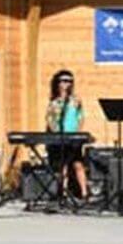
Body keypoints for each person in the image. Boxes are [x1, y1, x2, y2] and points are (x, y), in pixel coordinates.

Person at [45, 69, 89, 200]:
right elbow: (49, 119)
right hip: (60, 137)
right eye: (64, 81)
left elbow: (80, 117)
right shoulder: (54, 102)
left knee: (77, 164)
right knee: (62, 166)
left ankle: (84, 193)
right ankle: (62, 192)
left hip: (73, 137)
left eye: (69, 81)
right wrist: (55, 132)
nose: (67, 84)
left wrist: (78, 132)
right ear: (58, 83)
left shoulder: (75, 100)